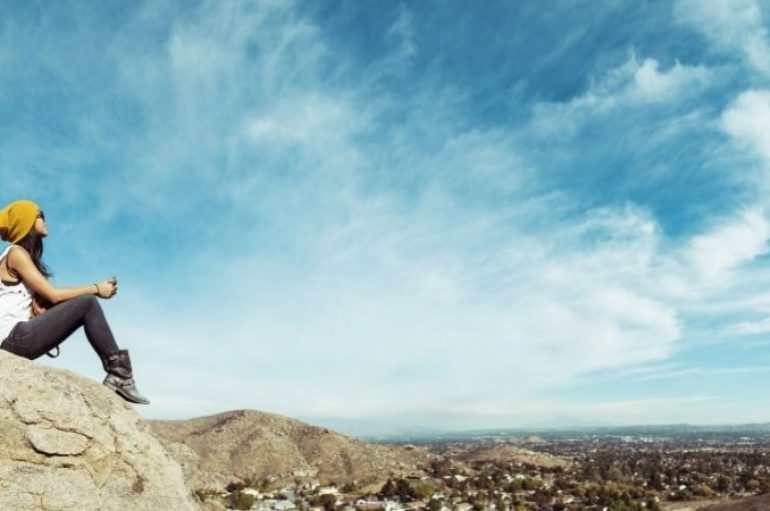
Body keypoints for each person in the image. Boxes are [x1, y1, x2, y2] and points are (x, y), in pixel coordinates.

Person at [0, 199, 149, 404]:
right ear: (26, 221)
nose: (44, 218)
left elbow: (43, 300)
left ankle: (120, 374)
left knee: (83, 304)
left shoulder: (20, 256)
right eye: (39, 214)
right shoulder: (16, 253)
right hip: (14, 338)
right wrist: (97, 289)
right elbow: (53, 294)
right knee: (87, 303)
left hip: (15, 339)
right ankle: (120, 375)